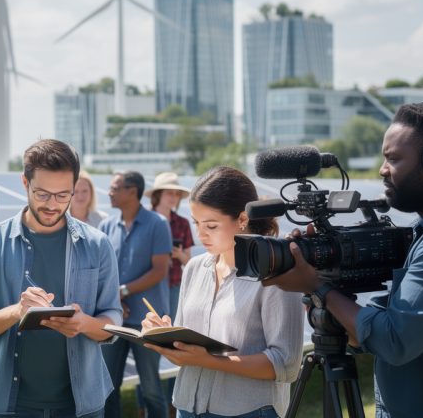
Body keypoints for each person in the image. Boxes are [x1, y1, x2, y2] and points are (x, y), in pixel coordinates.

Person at [264, 100, 423, 417]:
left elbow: (394, 341)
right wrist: (325, 275)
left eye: (393, 159)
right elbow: (380, 326)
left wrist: (320, 289)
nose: (382, 170)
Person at [0, 139, 122, 418]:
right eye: (42, 194)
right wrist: (17, 312)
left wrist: (85, 324)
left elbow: (113, 319)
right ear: (25, 183)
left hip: (82, 407)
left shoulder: (98, 244)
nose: (53, 205)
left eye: (63, 195)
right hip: (8, 407)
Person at [143, 166, 304, 418]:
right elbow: (187, 352)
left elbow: (286, 363)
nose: (200, 234)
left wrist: (207, 361)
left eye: (211, 225)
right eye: (196, 223)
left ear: (242, 219)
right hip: (187, 406)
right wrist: (164, 334)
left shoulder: (277, 274)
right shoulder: (195, 268)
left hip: (247, 411)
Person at [100, 171, 173, 418]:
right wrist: (115, 299)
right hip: (114, 320)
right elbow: (103, 272)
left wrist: (123, 292)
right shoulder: (106, 227)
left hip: (147, 323)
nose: (109, 192)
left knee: (151, 389)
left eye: (114, 188)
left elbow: (159, 271)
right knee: (108, 388)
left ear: (132, 191)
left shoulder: (158, 224)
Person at [145, 172, 194, 321]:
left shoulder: (183, 223)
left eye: (177, 194)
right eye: (169, 193)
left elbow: (188, 261)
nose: (174, 197)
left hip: (174, 285)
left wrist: (178, 254)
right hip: (148, 285)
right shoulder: (144, 220)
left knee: (171, 328)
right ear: (158, 194)